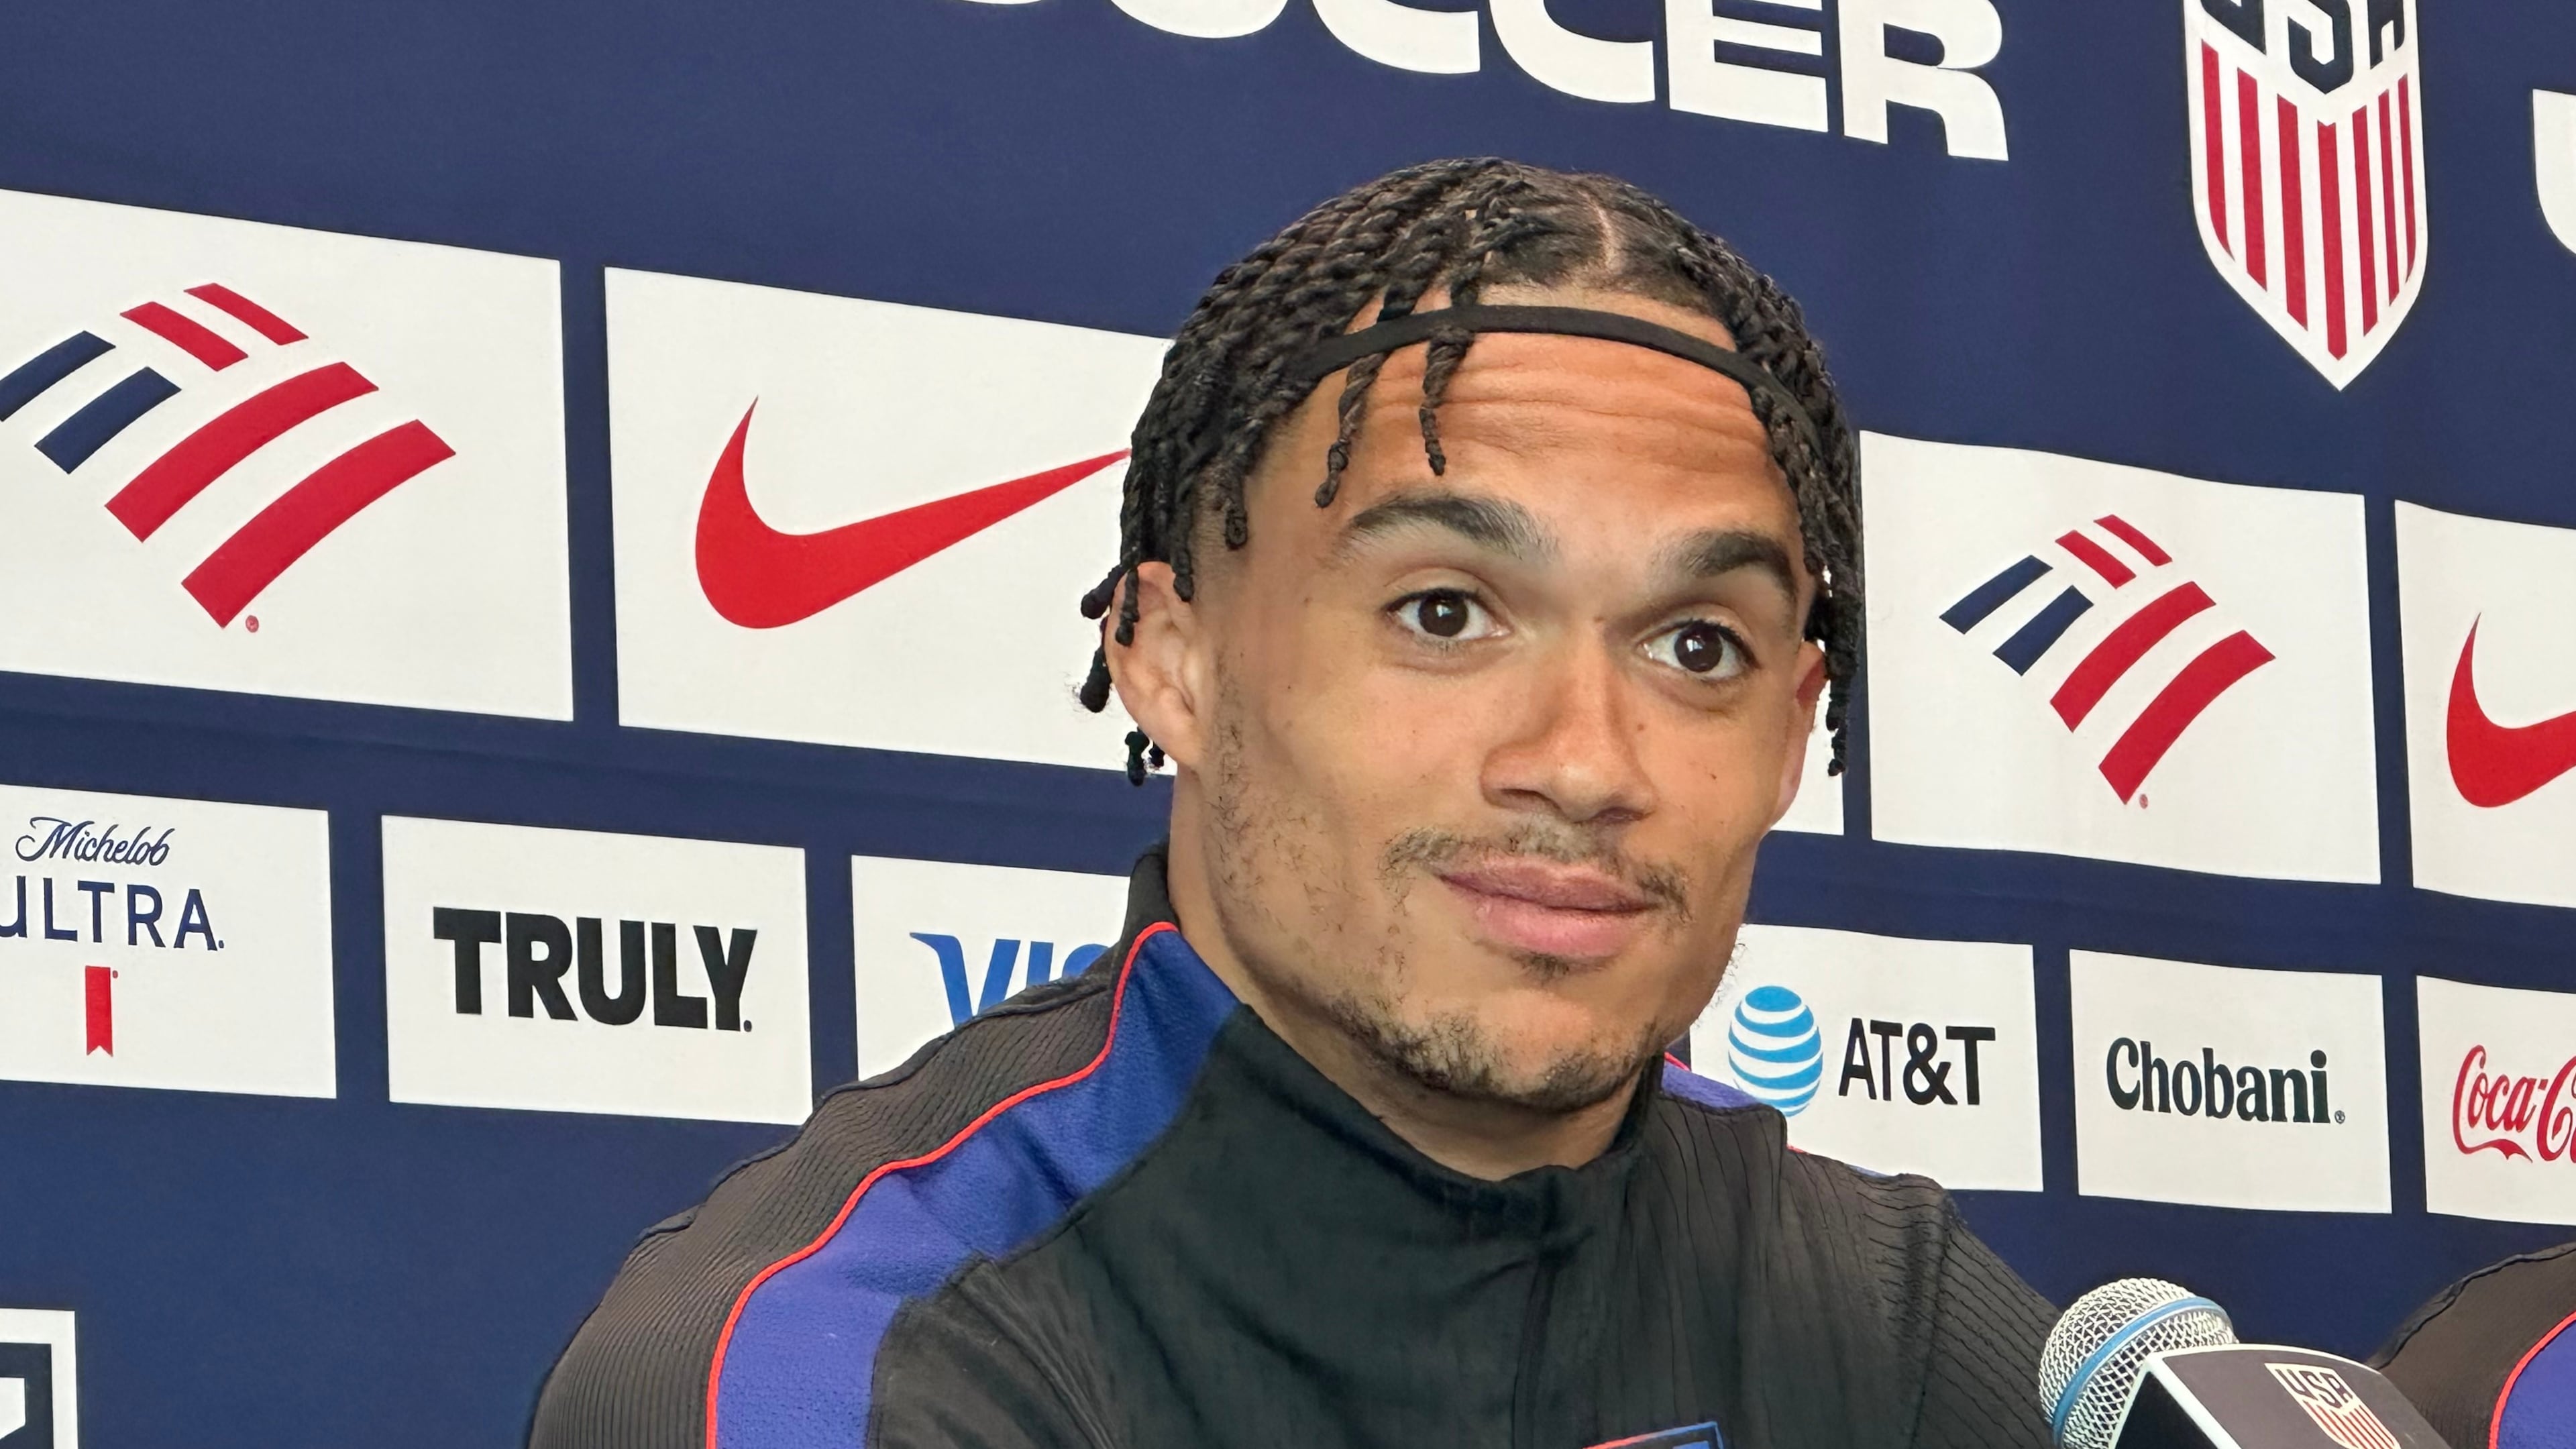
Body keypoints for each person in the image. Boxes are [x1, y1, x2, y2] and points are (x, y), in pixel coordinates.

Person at [529, 157, 2058, 1449]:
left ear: (1798, 733)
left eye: (1695, 645)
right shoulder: (849, 1365)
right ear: (1168, 658)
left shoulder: (1877, 1301)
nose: (1590, 762)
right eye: (1446, 614)